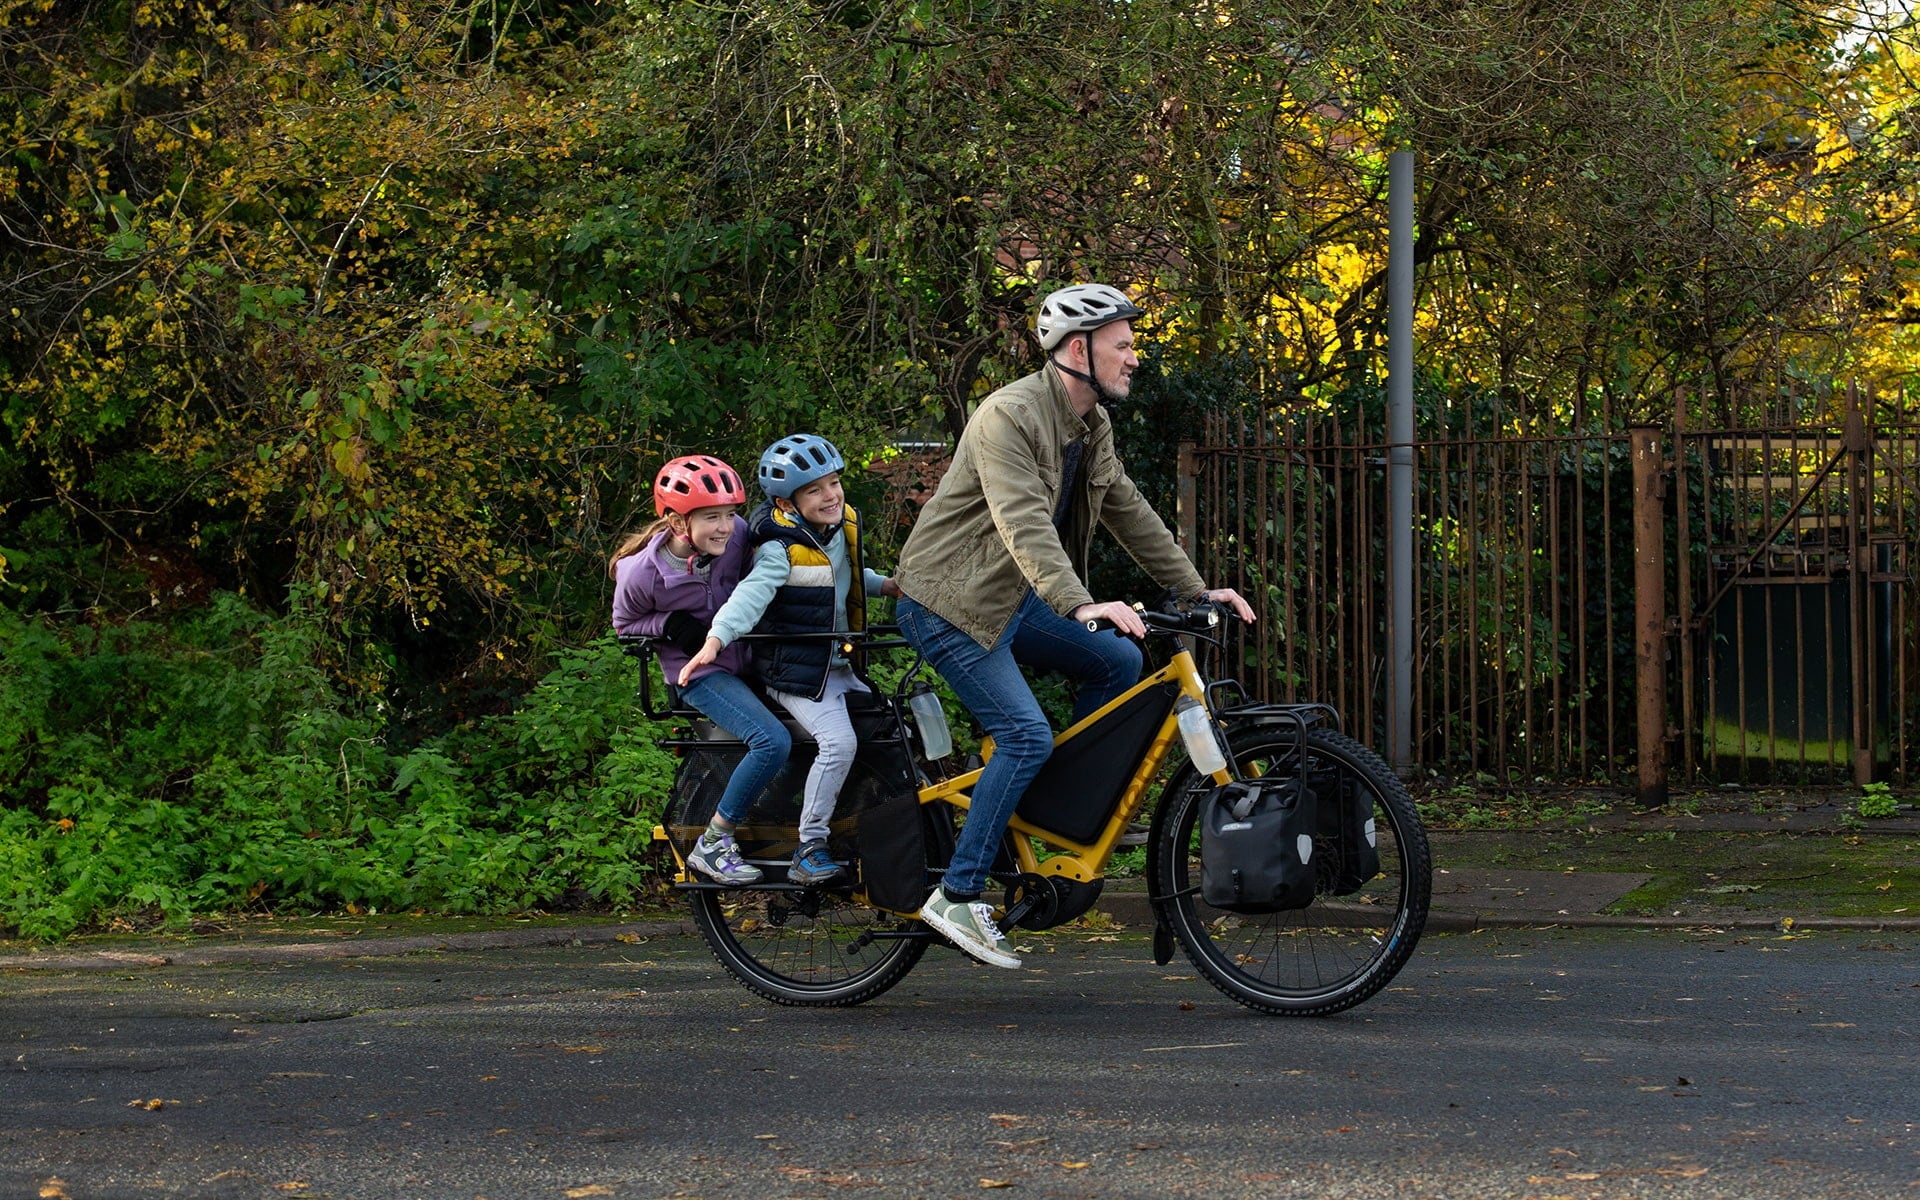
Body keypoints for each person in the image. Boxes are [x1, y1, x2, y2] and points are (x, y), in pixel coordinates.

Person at [891, 282, 1255, 969]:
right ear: (1078, 350)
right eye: (1123, 346)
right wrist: (1079, 603)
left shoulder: (1091, 427)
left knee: (1117, 665)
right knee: (1025, 733)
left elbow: (1129, 509)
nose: (1134, 359)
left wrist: (1195, 587)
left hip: (1009, 595)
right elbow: (1021, 517)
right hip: (946, 600)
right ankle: (958, 893)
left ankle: (1041, 810)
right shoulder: (1009, 415)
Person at [678, 434, 905, 886]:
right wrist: (716, 638)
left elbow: (847, 576)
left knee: (893, 727)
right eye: (814, 490)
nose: (830, 496)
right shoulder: (778, 548)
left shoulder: (836, 530)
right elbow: (751, 594)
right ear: (788, 502)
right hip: (798, 674)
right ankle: (810, 845)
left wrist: (889, 585)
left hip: (837, 667)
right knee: (839, 743)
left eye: (834, 483)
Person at [610, 454, 787, 886]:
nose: (726, 527)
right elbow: (624, 625)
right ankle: (714, 841)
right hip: (700, 677)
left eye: (730, 514)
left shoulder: (737, 537)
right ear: (676, 524)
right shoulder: (641, 574)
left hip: (749, 660)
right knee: (770, 741)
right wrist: (668, 625)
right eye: (711, 518)